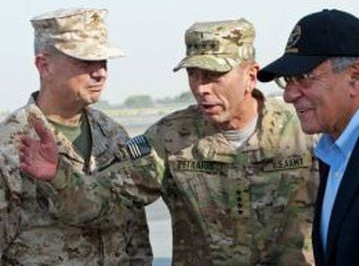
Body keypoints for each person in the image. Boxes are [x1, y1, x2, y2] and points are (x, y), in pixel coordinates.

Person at [20, 18, 319, 265]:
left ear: (251, 75)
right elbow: (105, 201)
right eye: (194, 74)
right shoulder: (171, 138)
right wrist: (59, 176)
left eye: (214, 75)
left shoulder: (305, 130)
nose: (201, 88)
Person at [257, 9, 359, 266]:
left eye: (303, 78)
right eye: (287, 80)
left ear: (354, 77)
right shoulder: (335, 148)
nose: (288, 95)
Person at [0, 8, 154, 265]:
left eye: (103, 61)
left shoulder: (113, 134)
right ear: (44, 65)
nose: (100, 73)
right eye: (85, 62)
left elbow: (134, 232)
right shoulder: (9, 145)